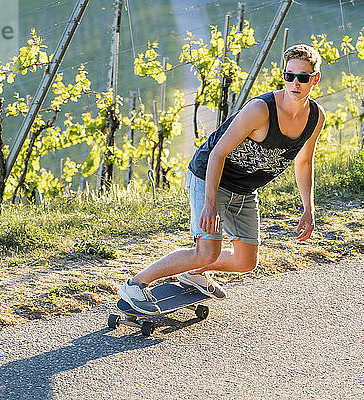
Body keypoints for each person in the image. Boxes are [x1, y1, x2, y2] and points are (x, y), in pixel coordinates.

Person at [118, 44, 326, 315]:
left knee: (245, 262)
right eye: (289, 76)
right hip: (209, 176)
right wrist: (210, 204)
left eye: (303, 77)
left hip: (245, 189)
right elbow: (217, 154)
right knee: (207, 251)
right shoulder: (261, 110)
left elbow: (304, 161)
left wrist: (309, 209)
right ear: (283, 75)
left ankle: (193, 273)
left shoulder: (315, 117)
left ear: (315, 78)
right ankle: (135, 284)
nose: (295, 83)